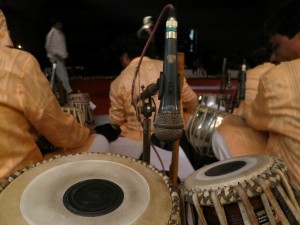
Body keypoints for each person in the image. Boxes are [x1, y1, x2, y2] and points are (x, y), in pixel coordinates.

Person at [0, 10, 109, 180]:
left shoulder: (54, 34)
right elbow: (61, 133)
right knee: (99, 141)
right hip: (16, 182)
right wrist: (85, 132)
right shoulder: (18, 63)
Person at [212, 0, 300, 183]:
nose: (274, 57)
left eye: (276, 46)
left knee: (228, 129)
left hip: (293, 193)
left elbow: (253, 119)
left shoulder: (277, 76)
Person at [96, 36, 198, 178]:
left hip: (136, 141)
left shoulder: (118, 82)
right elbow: (191, 101)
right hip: (174, 137)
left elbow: (116, 121)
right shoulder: (168, 68)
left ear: (125, 56)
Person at [45, 19, 73, 95]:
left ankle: (65, 92)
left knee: (63, 75)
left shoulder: (60, 33)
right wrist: (57, 54)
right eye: (59, 24)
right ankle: (68, 91)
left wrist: (65, 55)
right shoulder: (52, 33)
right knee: (62, 75)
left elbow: (62, 46)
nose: (61, 26)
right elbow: (48, 47)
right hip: (55, 58)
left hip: (61, 57)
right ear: (55, 24)